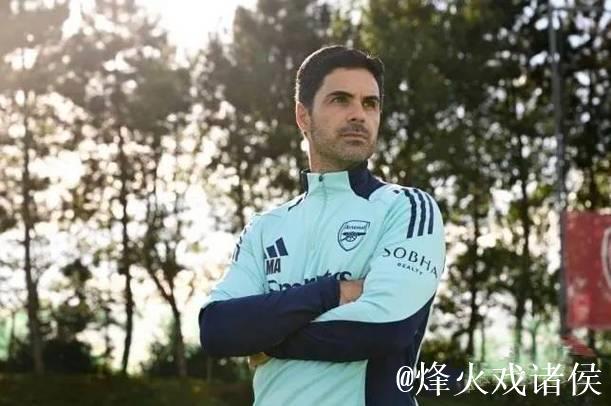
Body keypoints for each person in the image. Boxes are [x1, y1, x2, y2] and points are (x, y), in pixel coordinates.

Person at [199, 45, 446, 406]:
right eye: (340, 100)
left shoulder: (404, 208)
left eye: (370, 103)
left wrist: (264, 336)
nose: (358, 114)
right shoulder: (265, 228)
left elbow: (386, 328)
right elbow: (217, 329)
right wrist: (331, 292)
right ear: (303, 116)